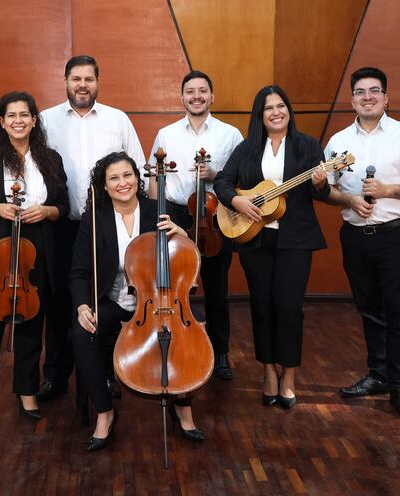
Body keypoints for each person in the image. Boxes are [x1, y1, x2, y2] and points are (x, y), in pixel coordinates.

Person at [324, 67, 400, 418]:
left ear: (386, 97)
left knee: (398, 313)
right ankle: (378, 374)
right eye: (361, 92)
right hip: (355, 237)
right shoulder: (339, 141)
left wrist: (389, 190)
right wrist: (348, 199)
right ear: (352, 100)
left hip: (395, 235)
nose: (368, 96)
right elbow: (326, 189)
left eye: (375, 91)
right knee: (369, 310)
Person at [70, 151, 201, 451]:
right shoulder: (94, 220)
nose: (122, 183)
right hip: (114, 301)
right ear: (104, 186)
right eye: (113, 178)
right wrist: (81, 306)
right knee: (81, 334)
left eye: (127, 175)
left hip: (160, 301)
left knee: (185, 335)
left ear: (137, 178)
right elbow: (78, 271)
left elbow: (187, 258)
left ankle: (184, 406)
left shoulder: (159, 210)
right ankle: (105, 412)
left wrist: (182, 234)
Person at [0, 91, 68, 432]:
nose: (18, 120)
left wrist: (46, 211)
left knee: (33, 327)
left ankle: (27, 391)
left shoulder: (50, 158)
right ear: (1, 123)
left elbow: (62, 205)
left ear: (35, 120)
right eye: (11, 115)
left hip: (38, 248)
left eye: (25, 114)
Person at [214, 85, 330, 409]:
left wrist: (320, 183)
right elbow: (222, 182)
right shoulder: (248, 148)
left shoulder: (307, 145)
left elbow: (321, 193)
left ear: (288, 110)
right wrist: (237, 199)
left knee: (290, 308)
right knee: (262, 306)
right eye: (269, 108)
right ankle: (268, 371)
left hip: (296, 240)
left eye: (281, 105)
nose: (276, 112)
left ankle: (289, 376)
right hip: (256, 238)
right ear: (260, 115)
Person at [38, 55, 145, 401]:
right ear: (65, 80)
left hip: (106, 225)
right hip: (61, 224)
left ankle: (104, 374)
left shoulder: (118, 119)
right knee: (57, 303)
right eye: (76, 79)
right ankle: (55, 375)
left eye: (89, 79)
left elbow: (138, 170)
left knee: (101, 299)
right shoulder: (46, 120)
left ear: (98, 81)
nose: (82, 85)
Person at [147, 70, 243, 380]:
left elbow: (242, 180)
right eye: (191, 91)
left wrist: (215, 175)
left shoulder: (230, 134)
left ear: (212, 97)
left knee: (217, 288)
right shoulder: (166, 134)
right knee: (175, 286)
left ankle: (221, 352)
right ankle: (178, 345)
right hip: (176, 213)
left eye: (203, 91)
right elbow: (154, 179)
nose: (197, 96)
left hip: (214, 217)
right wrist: (153, 218)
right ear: (182, 97)